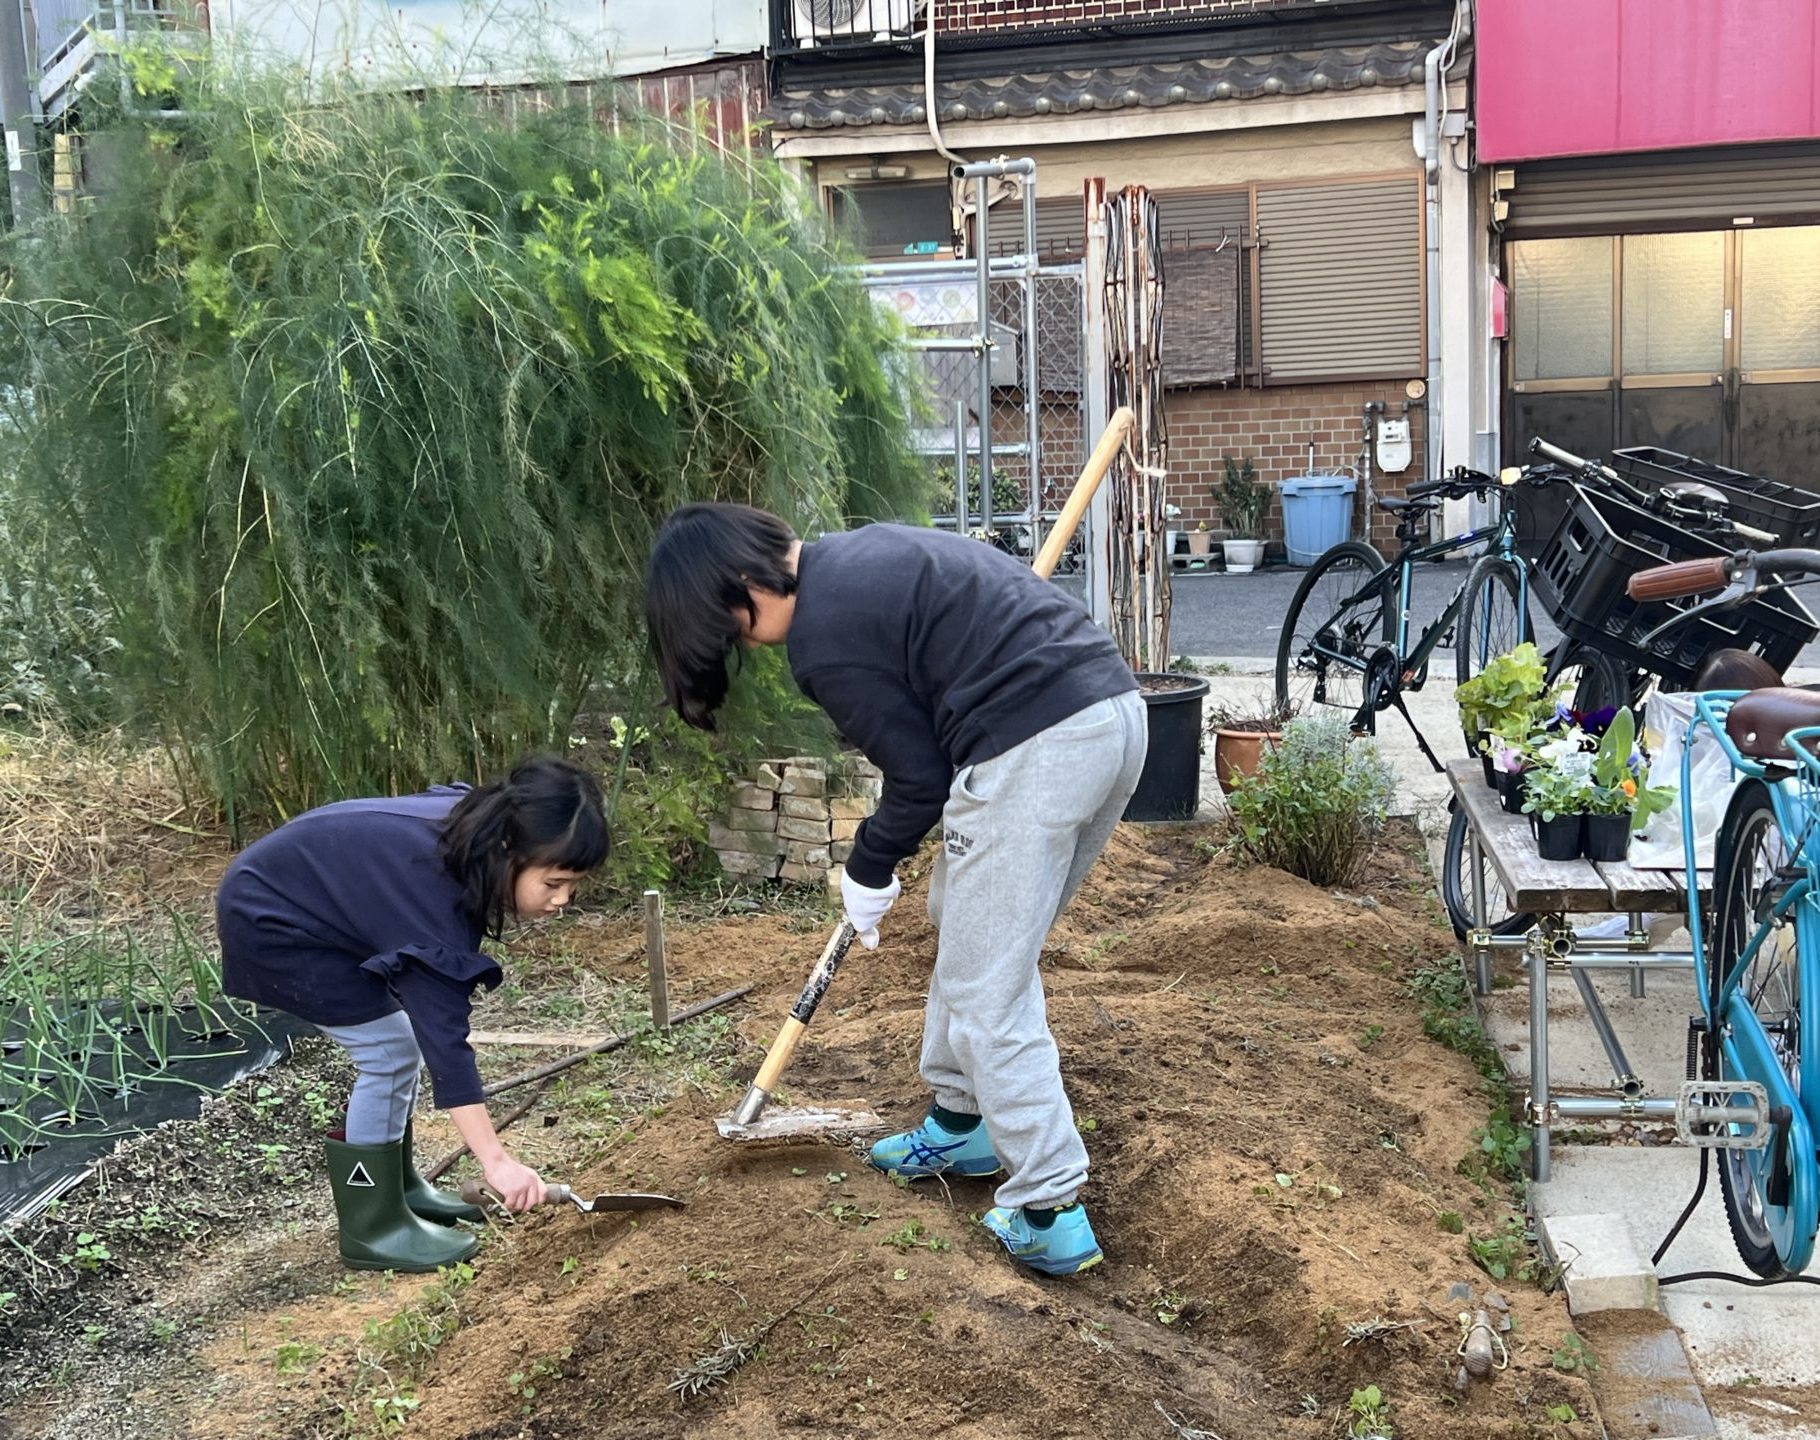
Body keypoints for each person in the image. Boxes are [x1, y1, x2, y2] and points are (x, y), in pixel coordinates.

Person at [645, 503, 1146, 1277]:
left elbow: (918, 781)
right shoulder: (862, 553)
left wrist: (867, 867)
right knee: (970, 925)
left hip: (1036, 749)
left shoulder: (824, 638)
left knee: (989, 988)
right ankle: (963, 1120)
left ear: (747, 583)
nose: (743, 643)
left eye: (730, 627)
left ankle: (1049, 1207)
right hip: (1112, 720)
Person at [216, 756, 608, 1272]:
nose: (563, 900)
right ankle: (374, 1227)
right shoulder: (432, 893)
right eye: (553, 882)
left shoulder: (476, 833)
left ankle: (401, 1191)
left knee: (395, 1046)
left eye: (573, 886)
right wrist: (496, 1161)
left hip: (313, 907)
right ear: (506, 850)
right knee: (389, 1052)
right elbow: (444, 1040)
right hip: (274, 923)